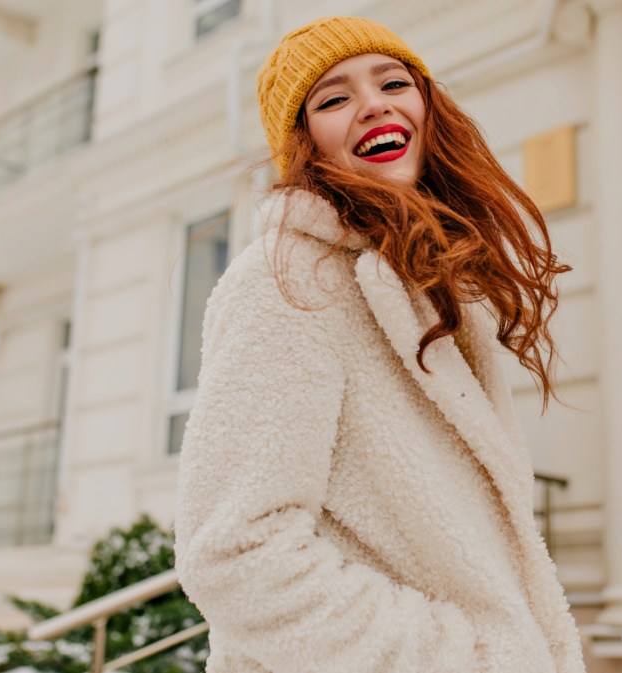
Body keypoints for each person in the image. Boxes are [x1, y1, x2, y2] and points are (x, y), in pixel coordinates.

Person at [173, 16, 585, 673]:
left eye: (394, 81)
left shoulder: (432, 287)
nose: (373, 103)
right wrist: (476, 657)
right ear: (305, 145)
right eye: (333, 99)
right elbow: (235, 552)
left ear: (429, 106)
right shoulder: (286, 281)